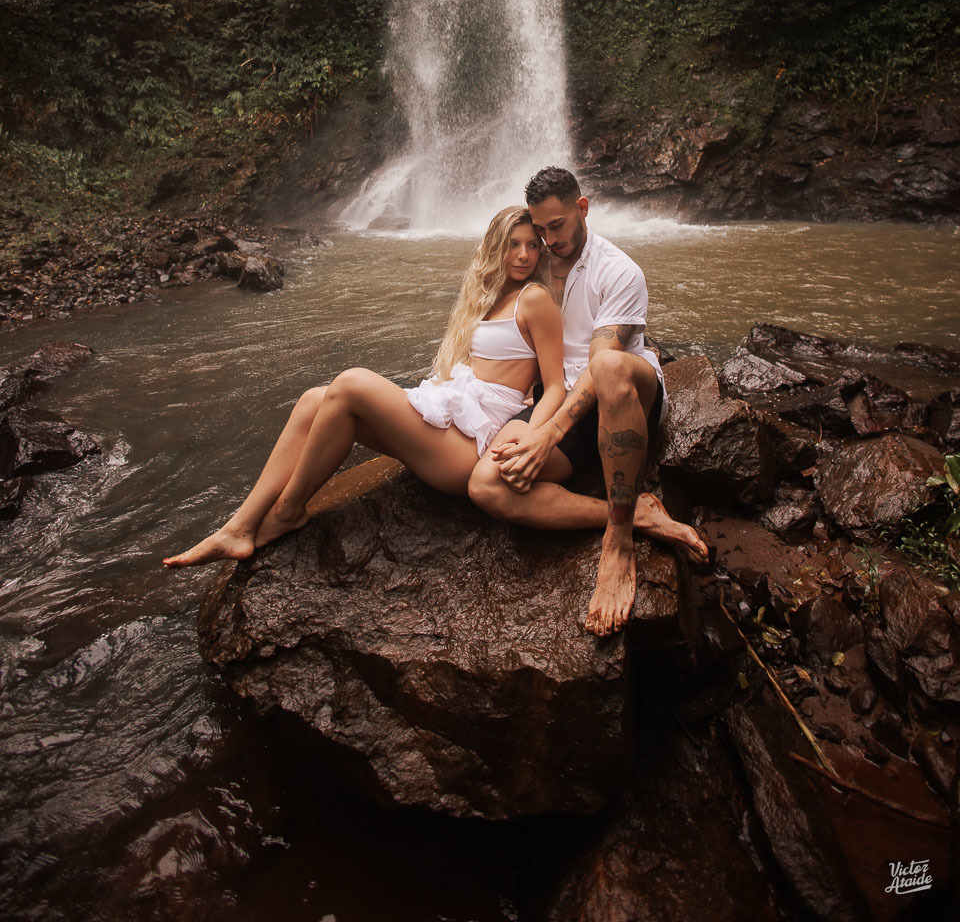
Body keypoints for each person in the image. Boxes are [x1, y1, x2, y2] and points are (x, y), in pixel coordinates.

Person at [163, 206, 565, 568]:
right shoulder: (496, 296)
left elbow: (555, 385)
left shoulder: (534, 299)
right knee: (312, 402)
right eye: (513, 245)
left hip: (470, 449)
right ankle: (239, 526)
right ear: (496, 246)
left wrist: (532, 438)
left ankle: (287, 511)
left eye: (532, 245)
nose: (524, 255)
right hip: (454, 424)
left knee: (352, 383)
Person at [468, 167, 708, 637]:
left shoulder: (618, 269)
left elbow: (604, 361)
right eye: (539, 230)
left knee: (609, 366)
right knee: (487, 486)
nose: (546, 240)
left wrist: (547, 434)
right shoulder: (531, 263)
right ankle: (635, 513)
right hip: (562, 399)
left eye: (555, 226)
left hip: (625, 392)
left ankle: (617, 545)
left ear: (583, 208)